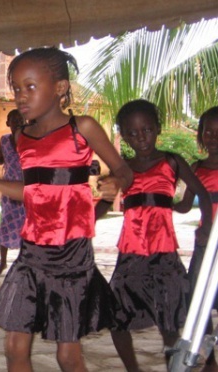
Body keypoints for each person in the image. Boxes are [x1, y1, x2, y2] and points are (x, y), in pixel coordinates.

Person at [0, 47, 133, 371]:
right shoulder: (23, 137)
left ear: (59, 88)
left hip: (72, 254)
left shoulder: (81, 128)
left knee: (67, 355)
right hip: (32, 252)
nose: (20, 96)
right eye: (15, 88)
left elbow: (124, 170)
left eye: (29, 87)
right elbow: (31, 192)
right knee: (14, 348)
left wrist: (114, 183)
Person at [97, 99, 212, 371]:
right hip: (131, 254)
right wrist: (84, 221)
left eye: (147, 130)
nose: (141, 138)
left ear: (157, 129)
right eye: (133, 133)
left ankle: (173, 366)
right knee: (116, 317)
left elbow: (203, 196)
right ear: (124, 136)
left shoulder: (172, 161)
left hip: (164, 254)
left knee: (169, 321)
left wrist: (206, 226)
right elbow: (104, 202)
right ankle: (132, 369)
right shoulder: (123, 169)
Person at [174, 105, 218, 371]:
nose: (213, 137)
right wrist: (157, 201)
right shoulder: (197, 167)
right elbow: (184, 204)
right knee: (197, 300)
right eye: (208, 132)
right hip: (206, 243)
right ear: (201, 136)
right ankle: (210, 360)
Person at [0, 109, 25, 276]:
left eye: (20, 119)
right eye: (14, 119)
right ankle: (2, 262)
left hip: (27, 188)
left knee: (27, 226)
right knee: (5, 223)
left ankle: (23, 262)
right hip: (8, 187)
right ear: (8, 123)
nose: (18, 122)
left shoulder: (29, 138)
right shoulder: (4, 140)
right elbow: (0, 159)